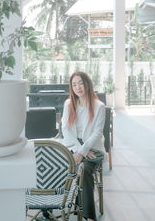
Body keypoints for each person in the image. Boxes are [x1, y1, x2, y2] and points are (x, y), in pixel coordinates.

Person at [62, 71, 106, 221]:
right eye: (74, 84)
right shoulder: (68, 104)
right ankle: (57, 204)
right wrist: (79, 151)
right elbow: (65, 129)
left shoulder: (99, 106)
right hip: (72, 145)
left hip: (93, 147)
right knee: (58, 164)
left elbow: (97, 133)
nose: (78, 87)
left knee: (85, 169)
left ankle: (89, 216)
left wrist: (84, 150)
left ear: (87, 84)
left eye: (80, 83)